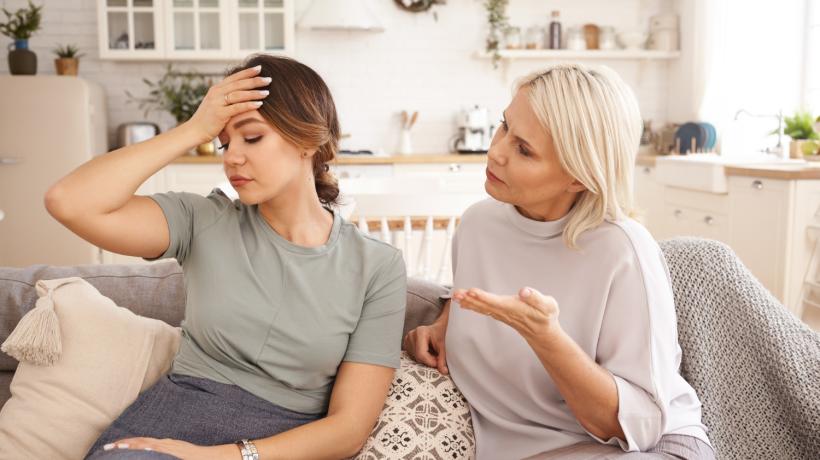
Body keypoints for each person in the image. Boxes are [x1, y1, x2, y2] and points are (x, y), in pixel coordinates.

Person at [45, 55, 406, 460]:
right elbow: (68, 202)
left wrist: (216, 456)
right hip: (166, 429)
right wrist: (193, 129)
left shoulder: (378, 267)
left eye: (251, 138)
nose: (232, 157)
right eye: (223, 142)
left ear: (308, 140)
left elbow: (349, 430)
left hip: (278, 447)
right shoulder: (203, 221)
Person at [403, 63, 714, 460]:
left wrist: (544, 336)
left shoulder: (622, 251)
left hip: (643, 446)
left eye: (524, 149)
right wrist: (445, 321)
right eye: (504, 127)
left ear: (578, 177)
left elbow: (636, 424)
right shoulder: (478, 224)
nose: (496, 152)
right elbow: (478, 295)